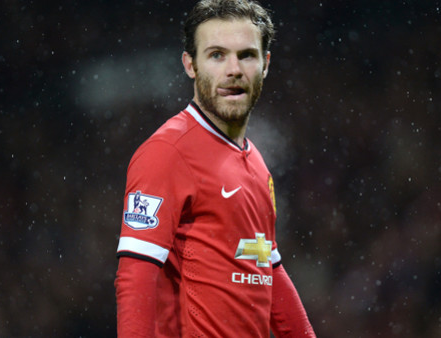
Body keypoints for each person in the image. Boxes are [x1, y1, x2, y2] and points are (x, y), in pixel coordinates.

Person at [114, 0, 316, 337]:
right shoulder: (167, 152)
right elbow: (136, 273)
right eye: (217, 55)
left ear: (265, 64)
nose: (233, 69)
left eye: (246, 55)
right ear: (190, 65)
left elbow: (267, 268)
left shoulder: (256, 164)